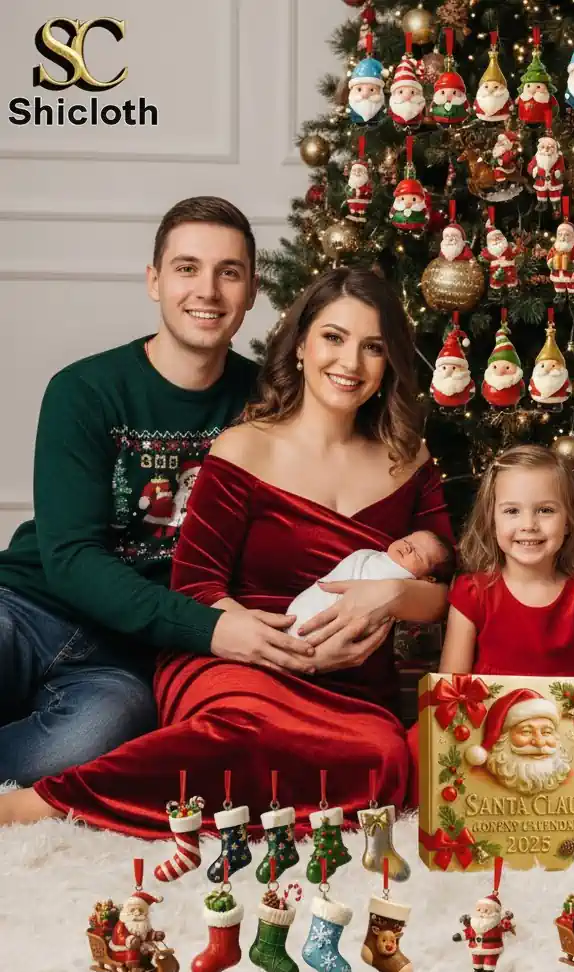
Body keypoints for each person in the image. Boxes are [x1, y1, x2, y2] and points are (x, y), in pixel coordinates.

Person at [0, 267, 452, 829]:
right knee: (238, 737)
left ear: (390, 363)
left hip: (353, 679)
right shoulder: (244, 446)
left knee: (379, 764)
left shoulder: (409, 462)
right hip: (235, 654)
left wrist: (390, 596)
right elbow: (196, 585)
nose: (350, 363)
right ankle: (39, 804)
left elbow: (448, 596)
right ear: (303, 344)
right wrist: (286, 650)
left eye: (373, 347)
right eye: (333, 338)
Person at [0, 196, 305, 786]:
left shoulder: (272, 406)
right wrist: (213, 629)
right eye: (187, 268)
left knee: (97, 739)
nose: (208, 291)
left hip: (127, 658)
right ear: (154, 281)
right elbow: (69, 560)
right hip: (31, 606)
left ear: (252, 291)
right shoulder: (84, 390)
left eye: (230, 272)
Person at [410, 444, 574, 826]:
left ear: (569, 520)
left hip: (560, 735)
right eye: (512, 511)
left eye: (545, 510)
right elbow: (451, 689)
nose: (529, 525)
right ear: (491, 520)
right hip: (487, 733)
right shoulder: (472, 592)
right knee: (421, 743)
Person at [286, 529, 453, 636]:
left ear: (428, 579)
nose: (407, 547)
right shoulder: (369, 556)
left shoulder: (404, 580)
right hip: (305, 605)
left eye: (417, 553)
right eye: (407, 540)